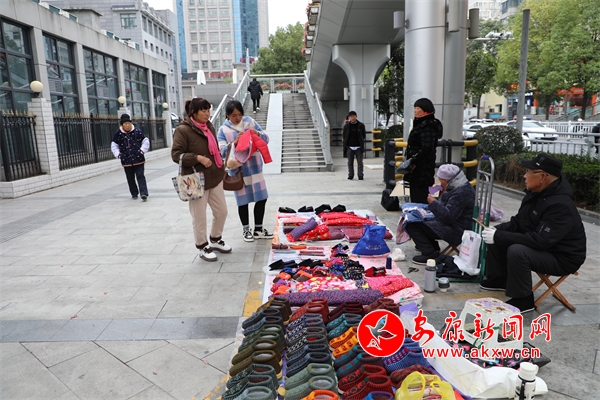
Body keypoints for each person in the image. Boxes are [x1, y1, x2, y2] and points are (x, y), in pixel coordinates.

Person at [480, 153, 586, 313]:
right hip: (547, 247)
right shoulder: (536, 193)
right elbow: (519, 222)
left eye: (528, 172)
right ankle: (501, 279)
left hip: (563, 257)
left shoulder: (560, 204)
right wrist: (497, 231)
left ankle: (524, 299)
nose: (524, 176)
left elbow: (541, 241)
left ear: (543, 176)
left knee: (517, 250)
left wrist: (500, 236)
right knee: (499, 233)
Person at [172, 98, 232, 262]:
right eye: (203, 111)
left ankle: (215, 239)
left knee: (221, 211)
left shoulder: (209, 126)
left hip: (214, 176)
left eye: (208, 110)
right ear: (194, 112)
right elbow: (176, 155)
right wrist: (197, 158)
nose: (207, 114)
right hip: (196, 180)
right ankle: (202, 246)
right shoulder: (183, 130)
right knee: (199, 216)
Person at [217, 100, 274, 243]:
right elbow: (221, 151)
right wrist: (234, 143)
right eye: (234, 115)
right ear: (227, 115)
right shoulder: (223, 130)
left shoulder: (250, 122)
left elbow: (266, 138)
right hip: (239, 171)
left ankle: (258, 229)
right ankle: (246, 229)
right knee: (243, 201)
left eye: (240, 114)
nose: (237, 118)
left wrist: (257, 133)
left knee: (262, 198)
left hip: (255, 167)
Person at [405, 164, 475, 265]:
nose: (440, 183)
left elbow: (448, 217)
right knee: (416, 216)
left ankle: (429, 253)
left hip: (457, 230)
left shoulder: (460, 193)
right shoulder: (460, 186)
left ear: (446, 180)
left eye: (440, 180)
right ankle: (432, 247)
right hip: (456, 224)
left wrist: (433, 202)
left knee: (412, 224)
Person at [404, 98, 443, 203]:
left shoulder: (427, 126)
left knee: (420, 200)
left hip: (421, 170)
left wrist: (414, 162)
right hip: (419, 170)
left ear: (426, 110)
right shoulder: (421, 123)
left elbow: (427, 148)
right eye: (414, 108)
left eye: (418, 108)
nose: (415, 111)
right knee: (417, 198)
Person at [111, 114, 150, 201]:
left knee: (140, 175)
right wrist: (119, 155)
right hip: (126, 160)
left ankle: (143, 193)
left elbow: (145, 141)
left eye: (128, 123)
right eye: (125, 124)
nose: (127, 125)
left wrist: (141, 151)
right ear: (122, 125)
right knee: (130, 178)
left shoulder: (137, 131)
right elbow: (114, 145)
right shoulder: (118, 134)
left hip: (138, 159)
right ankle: (134, 193)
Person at [342, 111, 366, 180]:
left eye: (353, 116)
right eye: (351, 117)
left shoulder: (361, 125)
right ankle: (350, 175)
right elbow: (344, 136)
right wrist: (345, 146)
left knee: (360, 162)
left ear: (356, 116)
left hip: (359, 146)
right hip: (350, 146)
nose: (352, 118)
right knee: (350, 162)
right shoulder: (346, 126)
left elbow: (363, 135)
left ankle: (360, 175)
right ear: (349, 118)